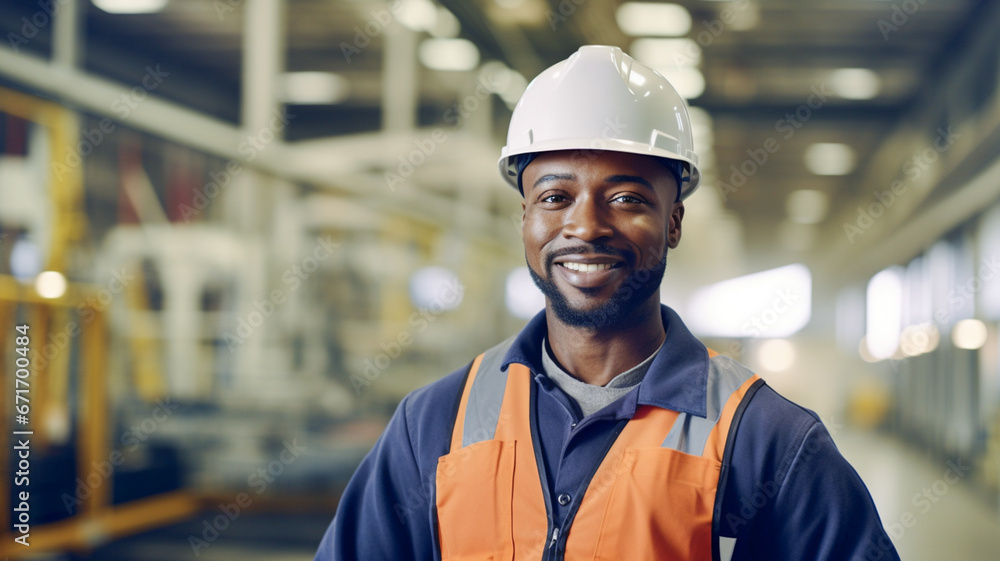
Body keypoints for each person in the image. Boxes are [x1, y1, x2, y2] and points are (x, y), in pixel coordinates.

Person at [315, 45, 900, 561]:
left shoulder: (766, 442)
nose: (585, 226)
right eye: (555, 195)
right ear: (525, 218)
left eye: (625, 197)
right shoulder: (434, 425)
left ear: (673, 222)